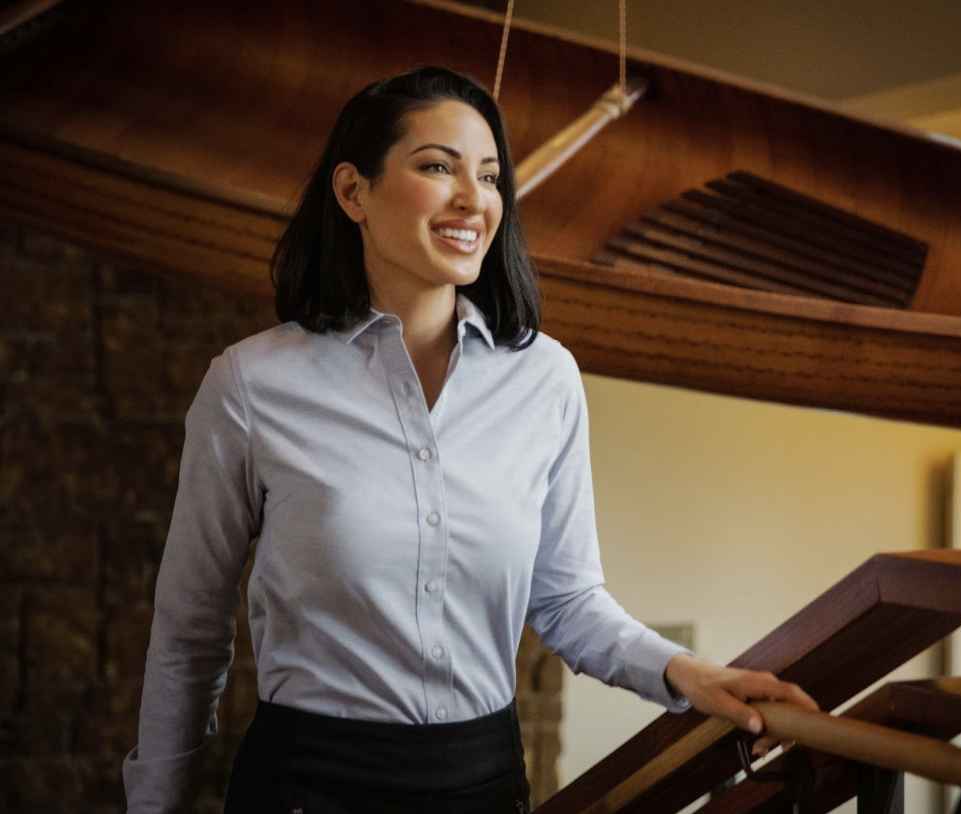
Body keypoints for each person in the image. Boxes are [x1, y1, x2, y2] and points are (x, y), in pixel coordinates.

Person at [123, 66, 817, 814]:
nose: (472, 199)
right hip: (303, 787)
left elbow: (568, 599)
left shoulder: (545, 378)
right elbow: (191, 632)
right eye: (436, 167)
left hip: (484, 784)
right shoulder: (252, 385)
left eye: (489, 176)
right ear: (353, 192)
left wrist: (688, 675)